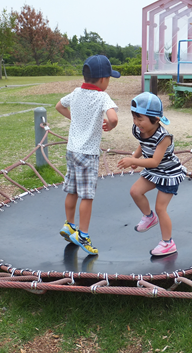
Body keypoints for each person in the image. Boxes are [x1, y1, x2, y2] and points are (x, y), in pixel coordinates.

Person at [56, 55, 120, 255]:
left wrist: (75, 120)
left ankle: (69, 225)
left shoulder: (76, 92)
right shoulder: (102, 97)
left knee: (72, 190)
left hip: (71, 150)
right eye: (109, 78)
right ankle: (83, 234)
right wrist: (110, 125)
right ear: (102, 80)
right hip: (88, 154)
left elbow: (59, 106)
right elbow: (114, 117)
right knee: (87, 196)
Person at [117, 92, 186, 257]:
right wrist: (135, 157)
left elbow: (155, 161)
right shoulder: (139, 129)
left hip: (169, 174)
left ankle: (168, 243)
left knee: (161, 208)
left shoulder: (164, 138)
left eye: (140, 119)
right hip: (154, 172)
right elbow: (143, 144)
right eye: (134, 118)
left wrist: (133, 161)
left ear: (155, 119)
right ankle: (149, 217)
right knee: (135, 191)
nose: (136, 123)